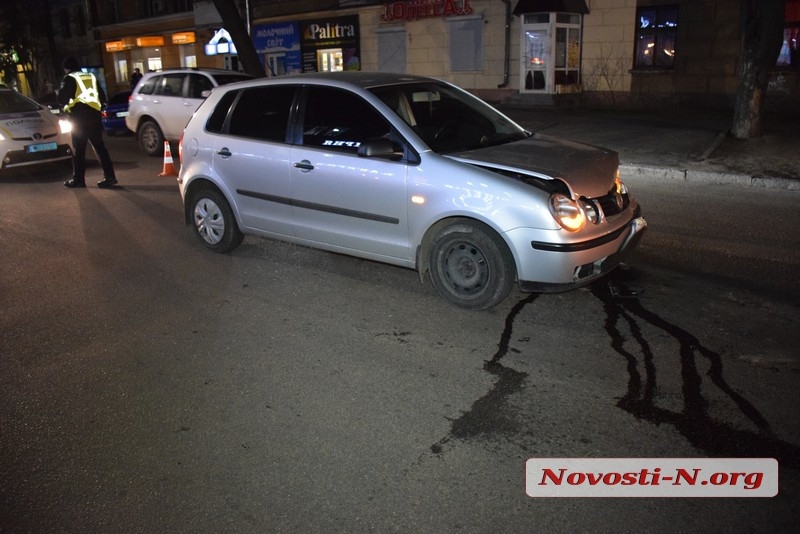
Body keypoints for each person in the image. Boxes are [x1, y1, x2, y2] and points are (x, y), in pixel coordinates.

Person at [57, 56, 118, 188]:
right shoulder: (90, 77)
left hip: (78, 119)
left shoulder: (69, 78)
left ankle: (78, 180)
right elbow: (102, 97)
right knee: (100, 148)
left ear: (66, 68)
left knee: (78, 150)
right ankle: (110, 177)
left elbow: (62, 99)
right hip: (94, 118)